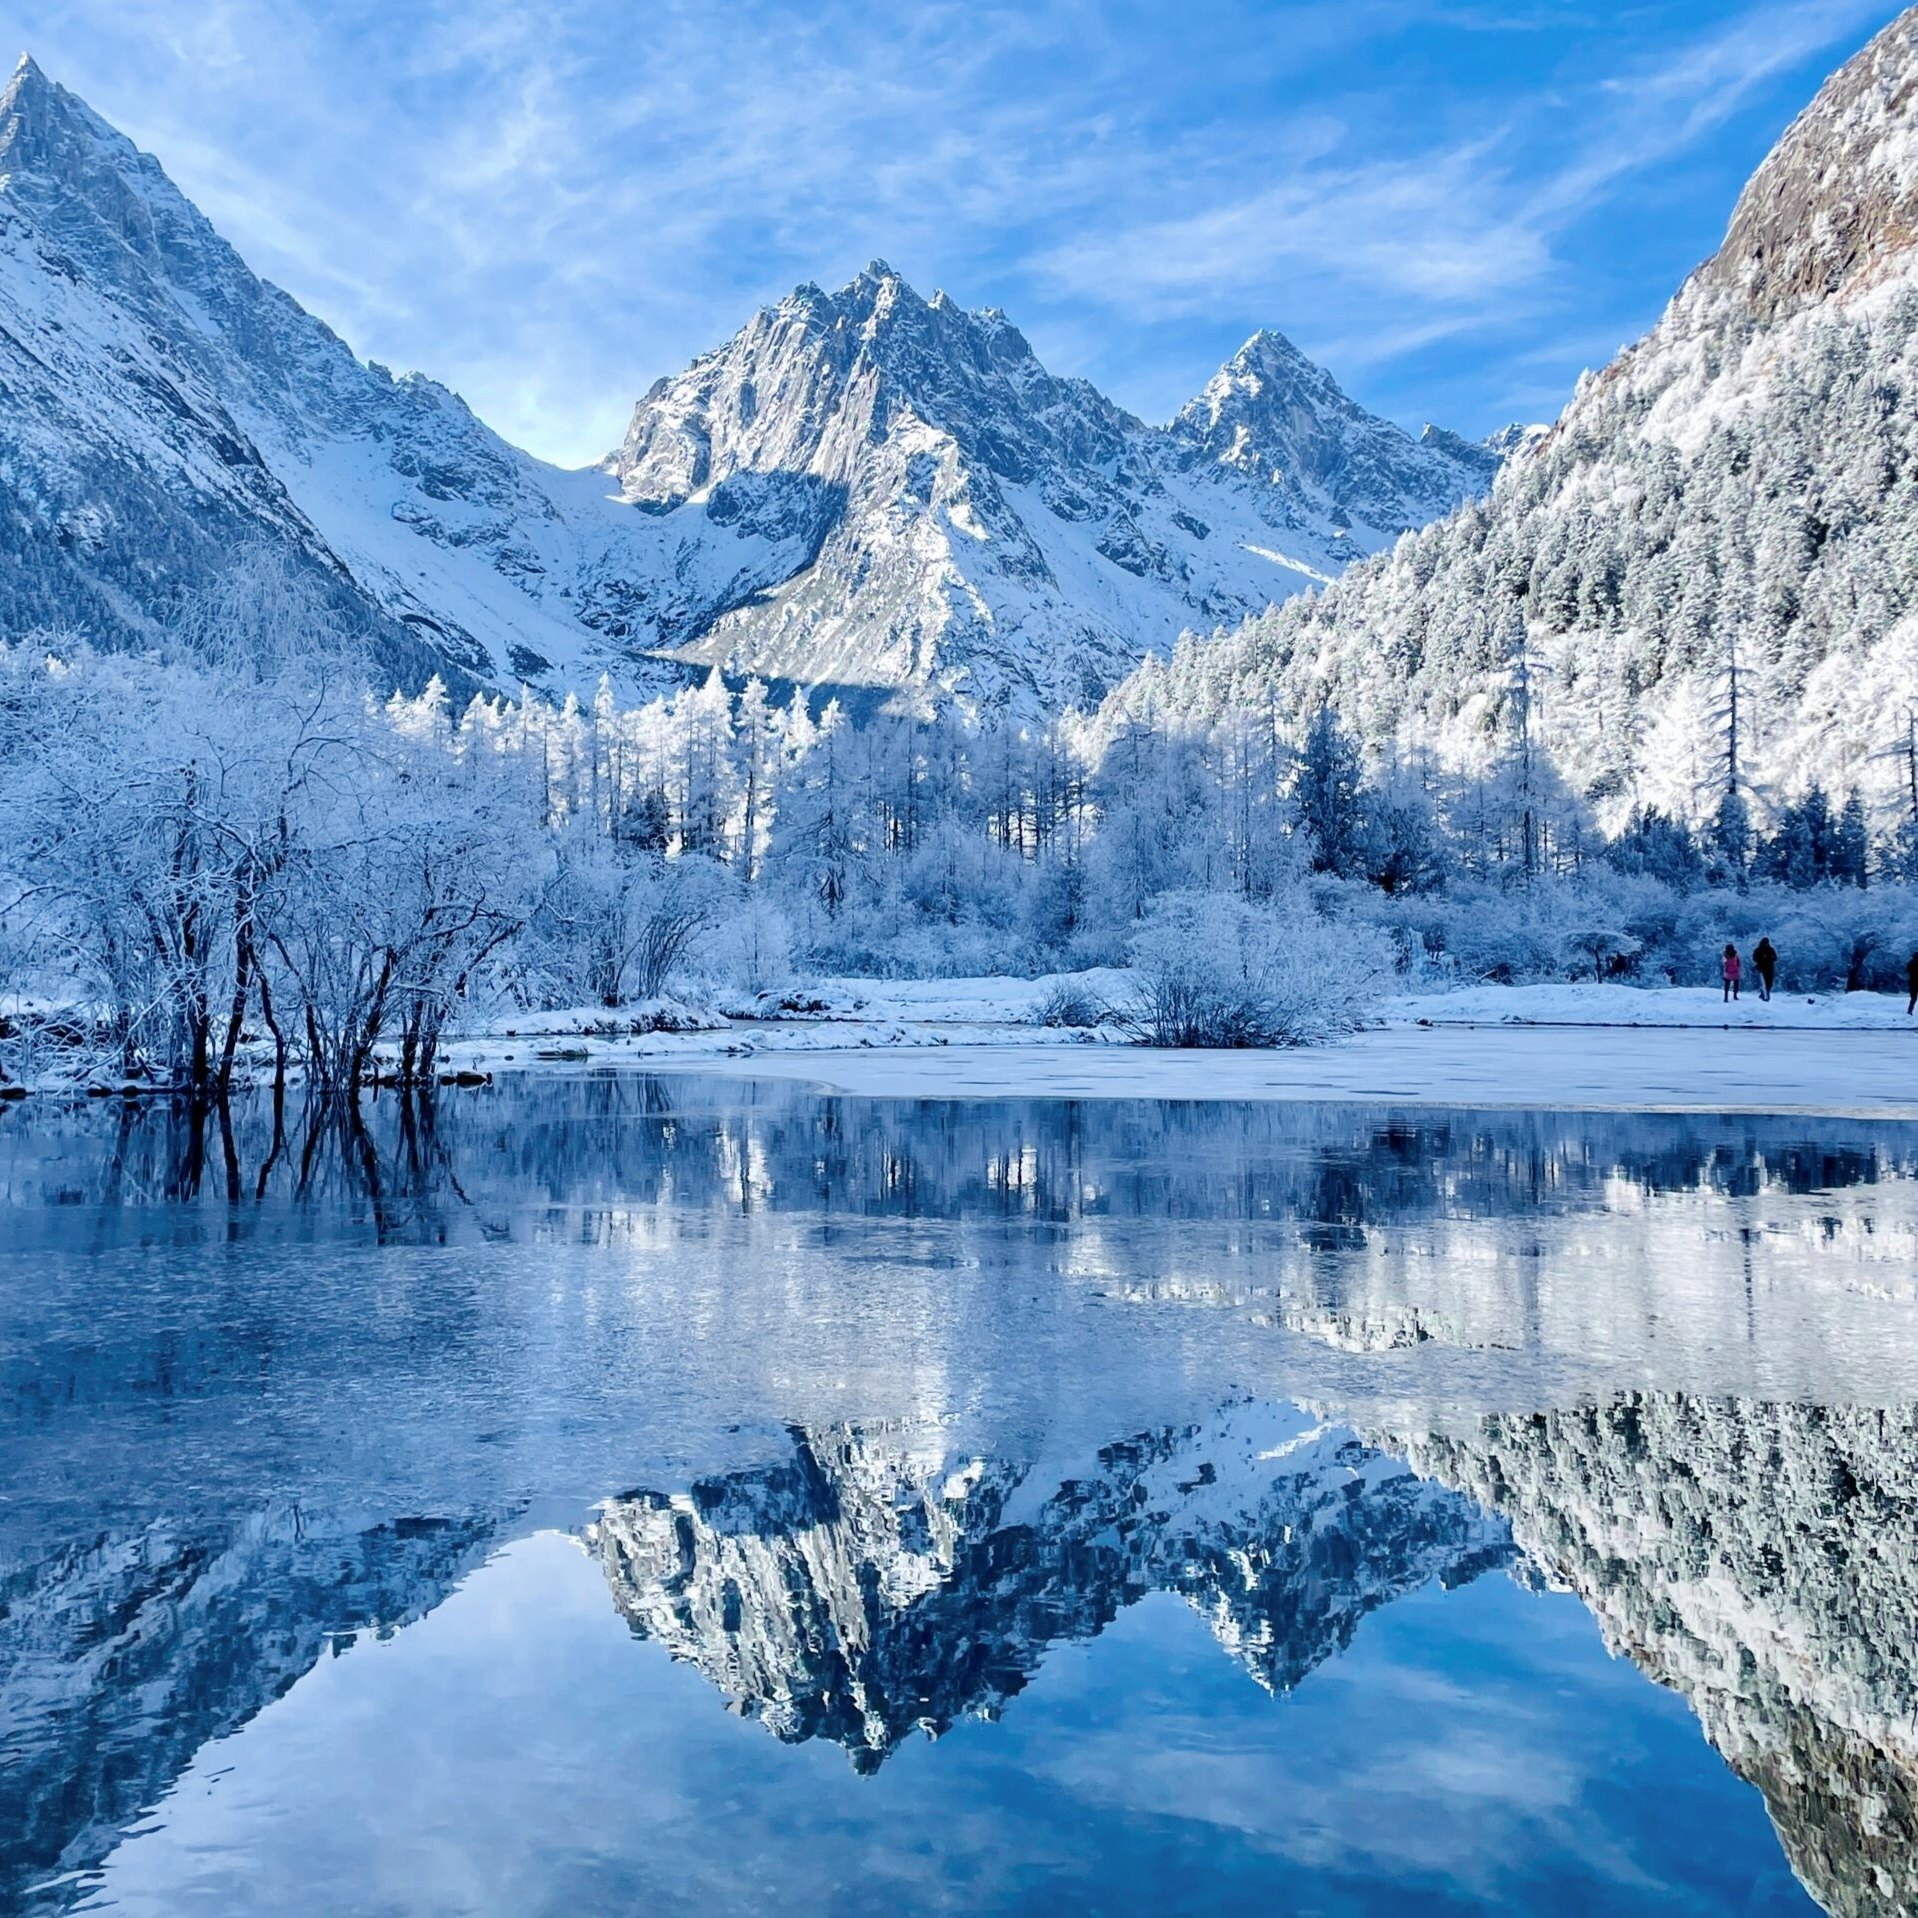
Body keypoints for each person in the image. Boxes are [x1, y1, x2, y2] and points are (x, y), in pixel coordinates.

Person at [1753, 937, 1777, 1002]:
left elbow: (1775, 958)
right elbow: (1755, 958)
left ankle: (1763, 994)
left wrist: (1769, 958)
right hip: (1761, 968)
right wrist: (1762, 959)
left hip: (1770, 968)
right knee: (1764, 982)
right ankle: (1766, 996)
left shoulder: (1771, 950)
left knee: (1770, 983)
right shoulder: (1758, 950)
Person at [1907, 949, 1918, 1016]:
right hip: (1914, 983)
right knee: (1913, 998)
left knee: (1913, 999)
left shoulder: (1910, 963)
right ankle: (1909, 1011)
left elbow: (1908, 971)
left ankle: (1909, 1011)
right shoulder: (1912, 963)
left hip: (1913, 983)